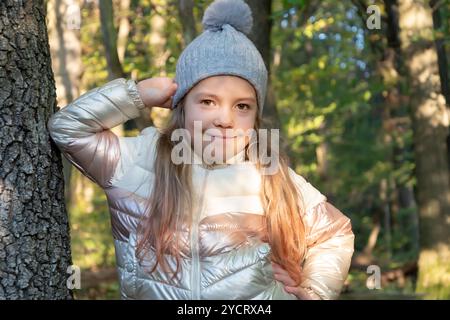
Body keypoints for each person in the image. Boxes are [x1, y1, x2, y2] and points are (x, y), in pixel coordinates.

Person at [47, 0, 354, 300]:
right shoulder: (138, 160)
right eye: (207, 101)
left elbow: (334, 233)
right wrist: (138, 94)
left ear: (256, 116)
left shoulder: (269, 174)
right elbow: (68, 129)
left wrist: (314, 290)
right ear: (181, 104)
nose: (224, 119)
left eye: (242, 106)